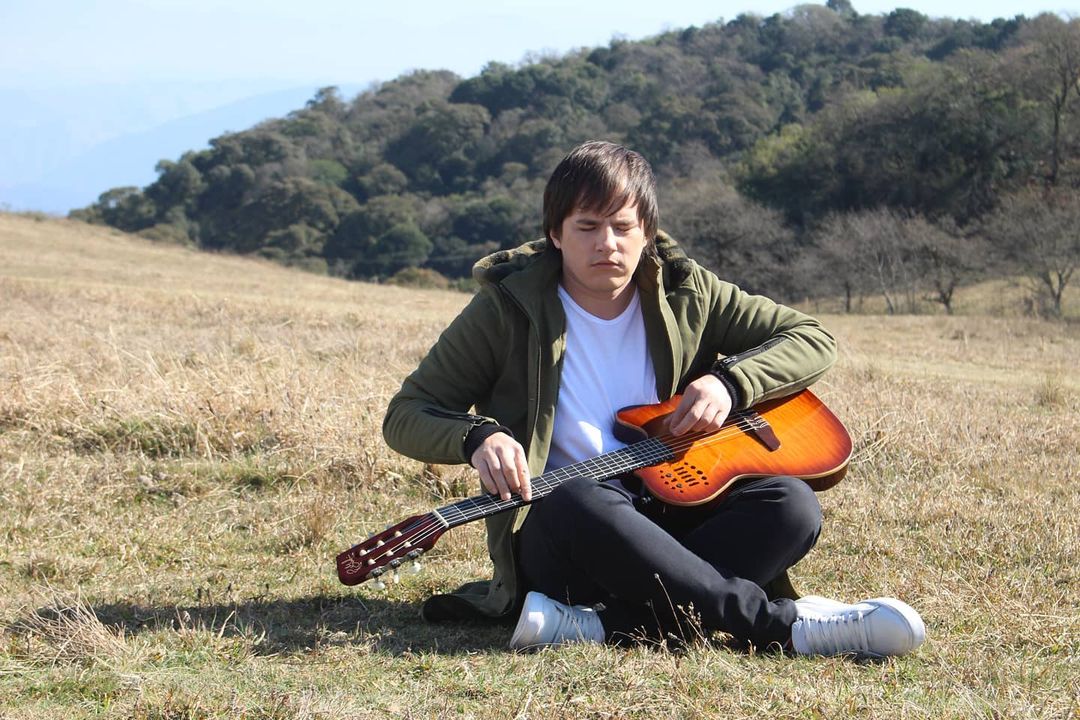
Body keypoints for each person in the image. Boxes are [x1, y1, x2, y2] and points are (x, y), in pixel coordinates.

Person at [382, 141, 925, 657]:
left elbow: (811, 338)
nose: (607, 243)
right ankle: (783, 628)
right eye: (587, 227)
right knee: (576, 496)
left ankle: (604, 625)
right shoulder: (505, 310)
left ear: (647, 231)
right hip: (569, 535)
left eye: (623, 227)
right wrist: (478, 437)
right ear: (555, 233)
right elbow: (407, 413)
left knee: (791, 505)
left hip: (677, 512)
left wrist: (731, 383)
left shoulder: (688, 291)